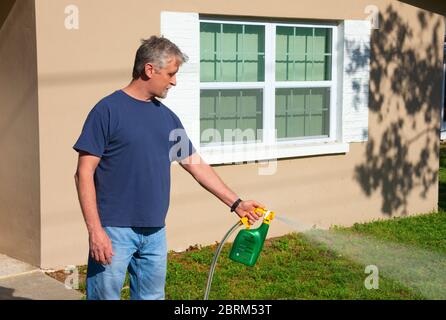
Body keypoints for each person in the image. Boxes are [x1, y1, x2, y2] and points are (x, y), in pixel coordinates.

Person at [73, 36, 265, 300]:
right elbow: (83, 173)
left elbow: (195, 164)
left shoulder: (166, 117)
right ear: (149, 69)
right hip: (114, 231)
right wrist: (95, 231)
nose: (174, 81)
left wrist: (236, 203)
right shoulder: (107, 111)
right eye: (171, 73)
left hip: (155, 231)